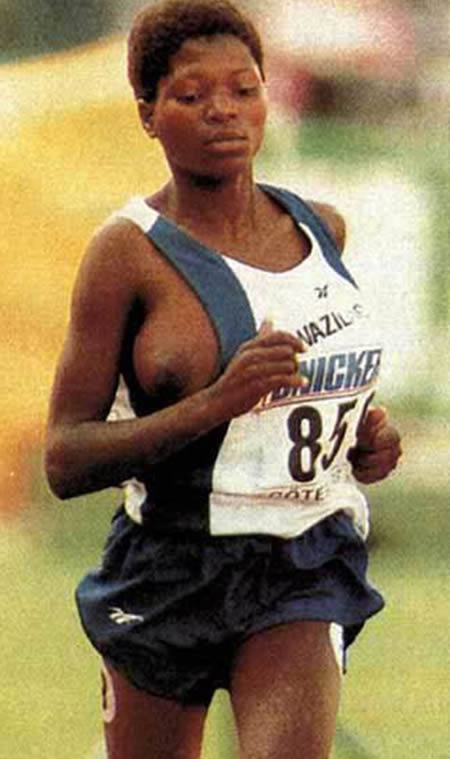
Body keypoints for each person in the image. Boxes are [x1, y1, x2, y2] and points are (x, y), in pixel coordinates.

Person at [45, 2, 402, 757]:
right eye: (191, 94)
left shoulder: (322, 230)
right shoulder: (126, 253)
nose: (223, 111)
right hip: (168, 564)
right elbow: (65, 458)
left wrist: (364, 437)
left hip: (301, 557)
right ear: (148, 114)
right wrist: (218, 402)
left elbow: (316, 400)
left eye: (244, 90)